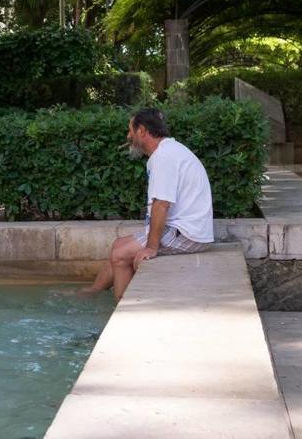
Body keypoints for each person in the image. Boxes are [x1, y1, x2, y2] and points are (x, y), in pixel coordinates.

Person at [82, 107, 214, 301]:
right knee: (119, 244)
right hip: (184, 229)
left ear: (142, 130)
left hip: (188, 235)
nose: (128, 136)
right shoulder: (168, 151)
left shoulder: (164, 157)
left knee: (120, 254)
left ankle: (121, 308)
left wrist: (151, 247)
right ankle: (93, 292)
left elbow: (162, 204)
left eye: (130, 130)